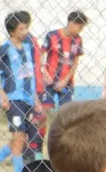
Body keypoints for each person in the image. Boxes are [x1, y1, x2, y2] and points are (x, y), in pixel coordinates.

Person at [0, 11, 42, 172]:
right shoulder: (5, 49)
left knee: (21, 139)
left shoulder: (29, 47)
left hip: (28, 100)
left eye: (27, 27)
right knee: (18, 141)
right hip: (14, 100)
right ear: (12, 31)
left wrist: (36, 99)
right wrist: (3, 96)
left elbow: (30, 76)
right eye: (22, 28)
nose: (25, 31)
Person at [35, 10, 86, 155]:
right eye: (79, 27)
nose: (80, 31)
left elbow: (75, 62)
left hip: (67, 83)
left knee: (67, 117)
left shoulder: (78, 40)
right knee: (43, 114)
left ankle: (63, 151)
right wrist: (44, 73)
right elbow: (40, 55)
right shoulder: (52, 36)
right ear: (71, 23)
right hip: (49, 83)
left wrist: (65, 79)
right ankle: (38, 151)